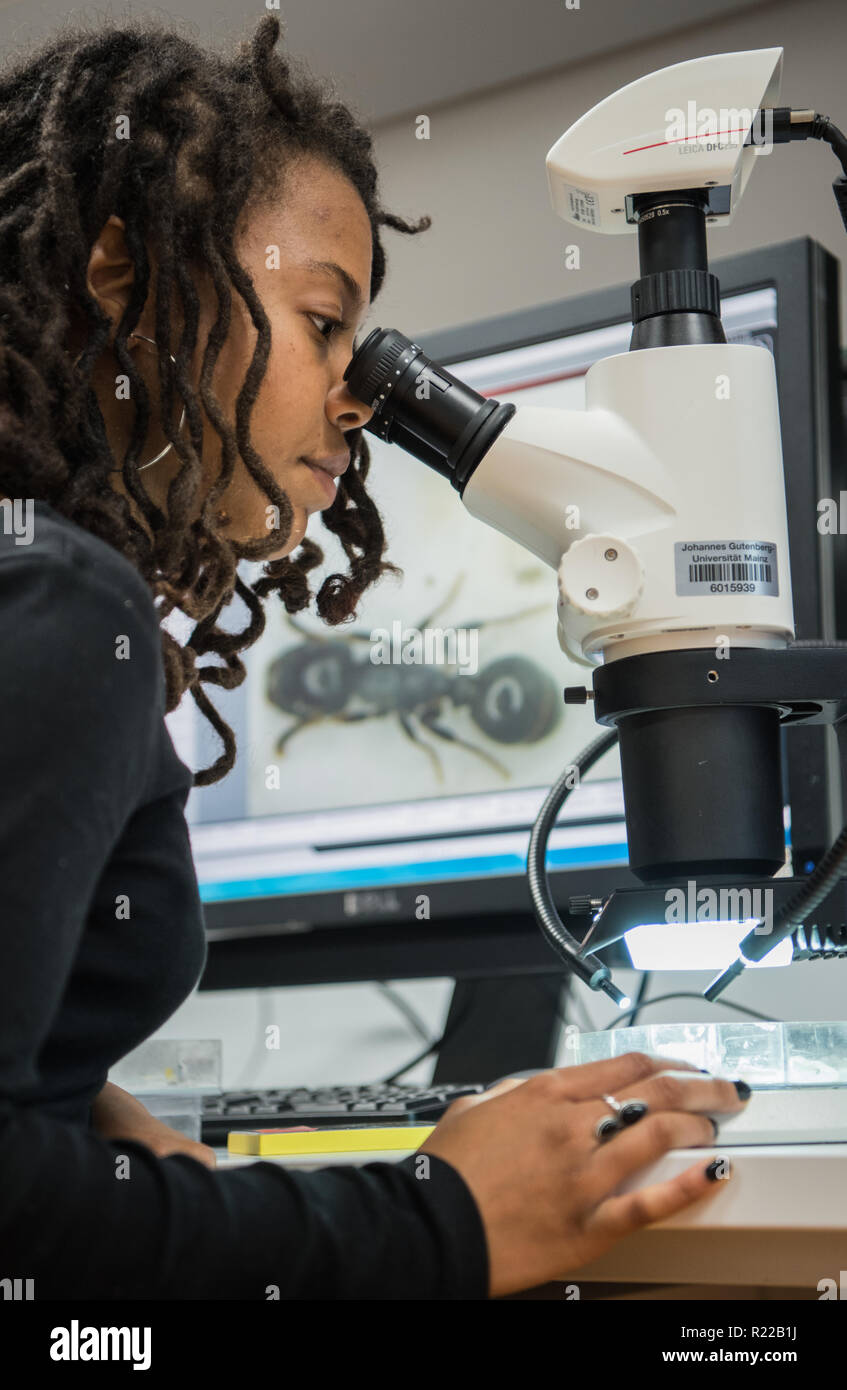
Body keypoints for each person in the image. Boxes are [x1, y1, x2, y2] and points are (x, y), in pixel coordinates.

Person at [0, 13, 750, 1300]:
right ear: (121, 276)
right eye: (322, 321)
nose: (358, 396)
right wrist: (437, 1221)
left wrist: (129, 1141)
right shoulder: (68, 608)